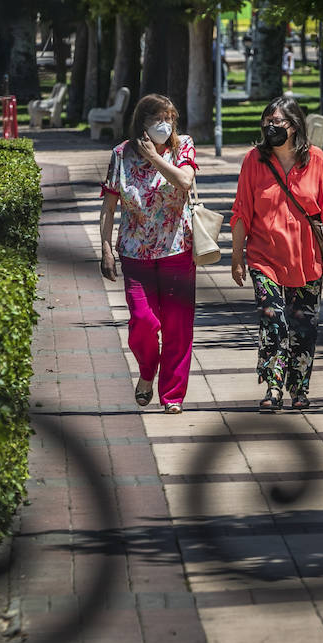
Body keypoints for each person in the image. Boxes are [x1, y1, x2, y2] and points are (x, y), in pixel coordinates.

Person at [230, 96, 323, 411]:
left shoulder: (317, 160)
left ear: (294, 126)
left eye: (277, 122)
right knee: (273, 321)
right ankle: (272, 387)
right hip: (263, 258)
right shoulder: (253, 161)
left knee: (303, 327)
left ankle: (299, 390)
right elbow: (241, 211)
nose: (270, 127)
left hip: (305, 259)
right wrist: (237, 256)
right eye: (266, 122)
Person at [99, 94, 198, 414]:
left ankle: (172, 396)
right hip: (134, 251)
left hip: (177, 250)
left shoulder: (183, 146)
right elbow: (109, 204)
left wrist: (155, 157)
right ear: (140, 123)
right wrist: (104, 248)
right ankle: (146, 372)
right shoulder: (120, 154)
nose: (164, 124)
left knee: (177, 327)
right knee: (143, 321)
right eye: (156, 118)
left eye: (169, 118)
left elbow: (184, 180)